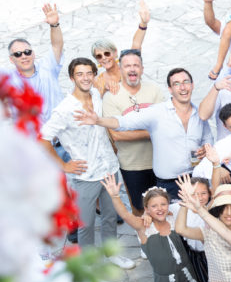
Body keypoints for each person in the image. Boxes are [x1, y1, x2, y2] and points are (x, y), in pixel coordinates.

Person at [40, 58, 130, 267]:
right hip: (85, 175)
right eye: (80, 74)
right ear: (72, 78)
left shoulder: (96, 96)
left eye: (89, 73)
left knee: (109, 215)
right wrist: (63, 165)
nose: (85, 78)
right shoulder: (64, 109)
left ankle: (111, 254)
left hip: (109, 168)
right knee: (86, 223)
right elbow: (43, 138)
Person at [80, 67, 213, 199]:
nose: (182, 87)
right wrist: (98, 120)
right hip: (169, 184)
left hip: (197, 181)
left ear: (192, 85)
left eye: (186, 82)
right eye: (176, 84)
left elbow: (208, 138)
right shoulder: (157, 112)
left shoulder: (200, 113)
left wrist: (205, 149)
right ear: (170, 89)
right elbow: (123, 122)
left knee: (197, 219)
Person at [102, 177, 200, 282]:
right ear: (146, 208)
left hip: (185, 272)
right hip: (164, 279)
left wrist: (187, 195)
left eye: (163, 204)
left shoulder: (172, 217)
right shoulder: (144, 226)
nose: (160, 209)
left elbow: (183, 207)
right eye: (154, 206)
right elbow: (125, 215)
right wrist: (115, 196)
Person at [100, 49, 163, 215]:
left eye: (136, 65)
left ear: (142, 68)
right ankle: (146, 241)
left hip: (160, 161)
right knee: (141, 208)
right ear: (120, 69)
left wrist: (135, 131)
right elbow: (116, 135)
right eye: (127, 66)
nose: (132, 69)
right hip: (133, 165)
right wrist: (151, 131)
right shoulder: (111, 96)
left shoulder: (154, 90)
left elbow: (165, 123)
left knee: (164, 206)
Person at [4, 4, 64, 122]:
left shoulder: (47, 65)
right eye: (18, 54)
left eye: (27, 52)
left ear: (33, 53)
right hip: (35, 139)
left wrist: (54, 25)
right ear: (11, 59)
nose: (24, 56)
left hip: (65, 136)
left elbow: (57, 46)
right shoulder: (8, 80)